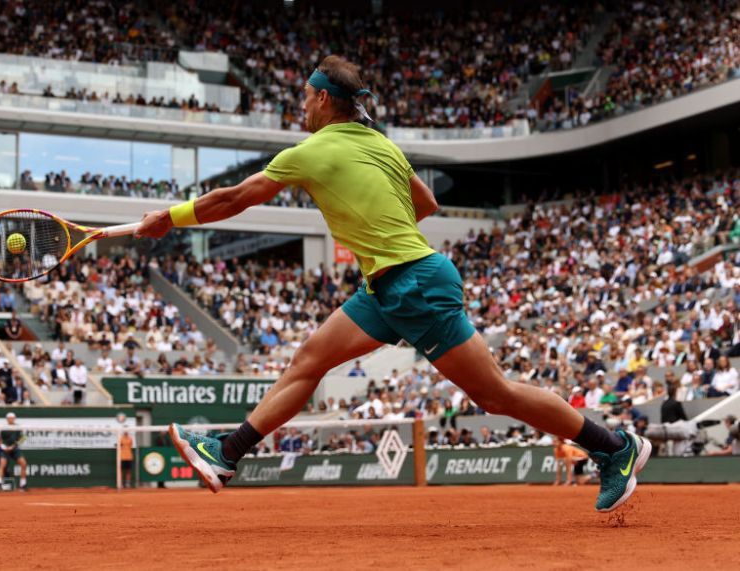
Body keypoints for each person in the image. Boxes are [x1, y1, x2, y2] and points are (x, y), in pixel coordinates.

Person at [137, 55, 650, 512]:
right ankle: (226, 453)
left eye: (304, 100)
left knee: (495, 395)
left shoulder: (313, 150)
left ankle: (614, 447)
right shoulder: (382, 145)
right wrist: (376, 225)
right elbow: (426, 204)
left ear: (321, 98)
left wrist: (170, 217)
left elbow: (234, 200)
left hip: (413, 283)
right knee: (309, 360)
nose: (302, 110)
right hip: (385, 288)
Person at [0, 412, 28, 491]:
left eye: (12, 418)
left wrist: (14, 446)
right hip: (5, 449)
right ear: (7, 419)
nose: (11, 419)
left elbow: (23, 438)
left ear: (14, 418)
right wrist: (4, 447)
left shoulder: (18, 428)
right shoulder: (3, 428)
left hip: (15, 449)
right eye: (9, 418)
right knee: (2, 464)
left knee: (23, 464)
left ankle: (22, 485)